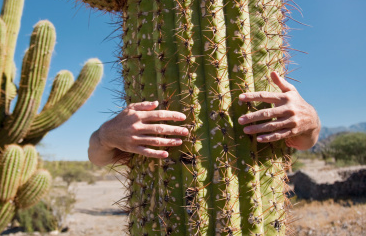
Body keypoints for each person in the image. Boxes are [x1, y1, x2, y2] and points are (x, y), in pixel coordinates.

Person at [88, 71, 320, 166]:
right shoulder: (142, 111)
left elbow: (305, 142)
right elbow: (97, 157)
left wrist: (311, 119)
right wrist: (105, 134)